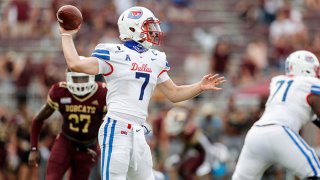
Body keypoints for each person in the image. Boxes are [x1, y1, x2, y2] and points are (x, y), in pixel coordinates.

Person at [57, 6, 226, 180]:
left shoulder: (155, 58)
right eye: (148, 26)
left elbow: (174, 93)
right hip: (117, 127)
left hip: (139, 131)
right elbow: (76, 64)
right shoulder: (114, 53)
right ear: (132, 28)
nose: (154, 31)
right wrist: (66, 35)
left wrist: (199, 86)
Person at [232, 50, 320, 180]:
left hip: (256, 134)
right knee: (315, 173)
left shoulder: (277, 82)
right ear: (306, 68)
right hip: (280, 132)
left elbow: (312, 115)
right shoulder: (309, 83)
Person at [28, 69, 107, 180]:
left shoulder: (102, 93)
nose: (80, 83)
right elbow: (38, 119)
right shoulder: (60, 91)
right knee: (52, 177)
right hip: (66, 143)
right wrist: (33, 148)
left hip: (88, 148)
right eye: (76, 79)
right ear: (68, 77)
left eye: (83, 78)